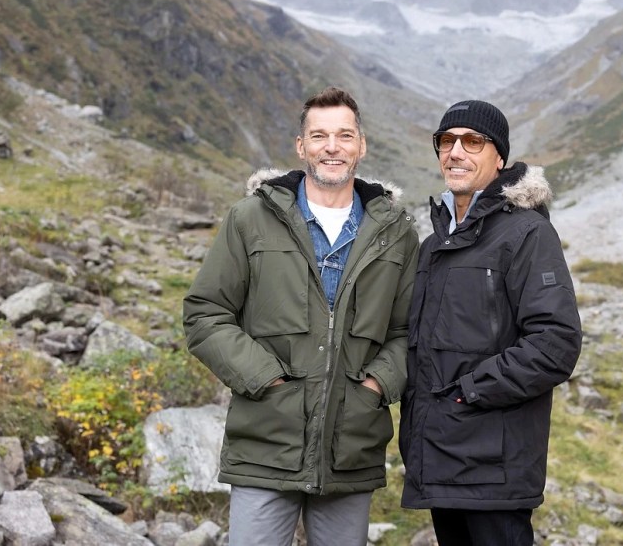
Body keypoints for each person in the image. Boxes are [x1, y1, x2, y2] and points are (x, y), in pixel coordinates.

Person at [184, 86, 419, 546]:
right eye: (319, 135)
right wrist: (266, 379)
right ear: (301, 146)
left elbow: (409, 331)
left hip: (350, 450)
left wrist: (374, 387)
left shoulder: (397, 233)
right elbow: (205, 312)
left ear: (361, 145)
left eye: (344, 135)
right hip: (266, 444)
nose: (332, 147)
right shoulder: (250, 219)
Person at [399, 99, 583, 545]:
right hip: (443, 461)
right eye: (446, 141)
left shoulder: (525, 233)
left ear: (498, 156)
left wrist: (468, 393)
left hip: (493, 468)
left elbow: (555, 343)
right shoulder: (435, 244)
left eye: (472, 141)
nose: (456, 151)